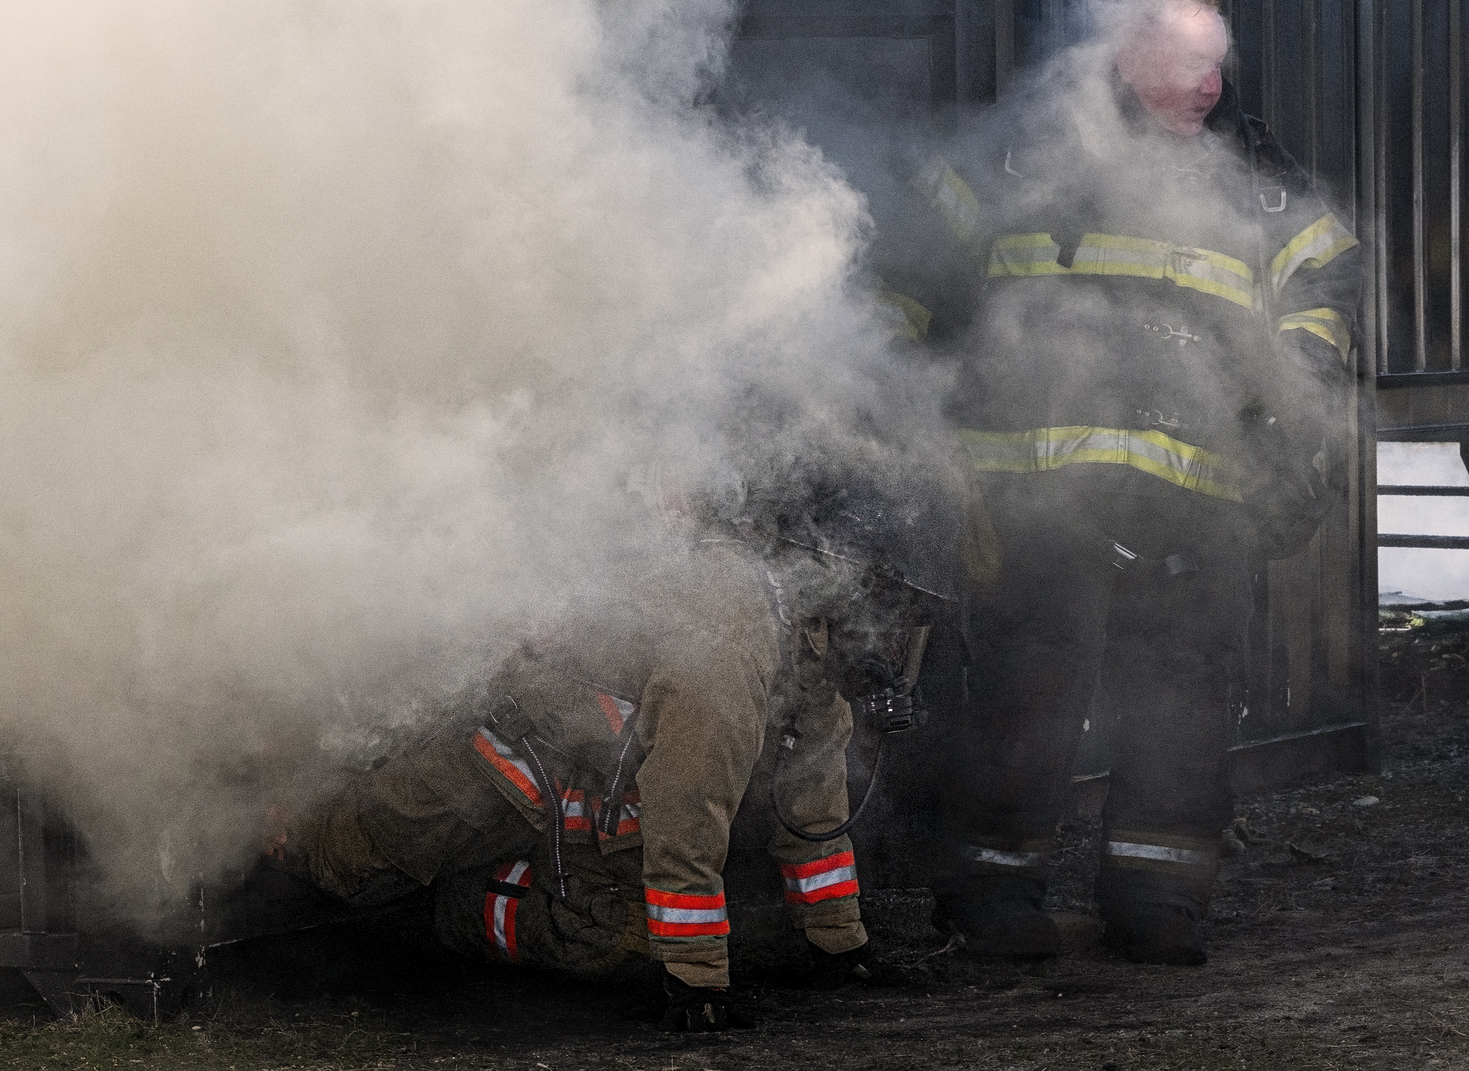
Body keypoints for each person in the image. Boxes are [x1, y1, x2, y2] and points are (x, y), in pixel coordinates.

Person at [873, 0, 1361, 965]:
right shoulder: (1019, 160)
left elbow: (1321, 303)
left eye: (1216, 63)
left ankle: (1157, 902)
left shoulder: (1262, 187)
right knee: (1026, 696)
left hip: (1203, 504)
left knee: (1185, 699)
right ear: (1121, 48)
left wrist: (1296, 431)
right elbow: (903, 284)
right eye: (1185, 60)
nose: (1210, 86)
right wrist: (892, 427)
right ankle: (992, 899)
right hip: (1041, 502)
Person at [263, 481, 937, 1029]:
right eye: (895, 609)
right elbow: (688, 797)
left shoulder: (815, 656)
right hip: (515, 766)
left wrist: (842, 946)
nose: (899, 638)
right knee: (346, 858)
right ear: (841, 585)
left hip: (593, 804)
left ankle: (457, 897)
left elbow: (811, 804)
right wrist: (697, 979)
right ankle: (287, 835)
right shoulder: (730, 634)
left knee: (623, 934)